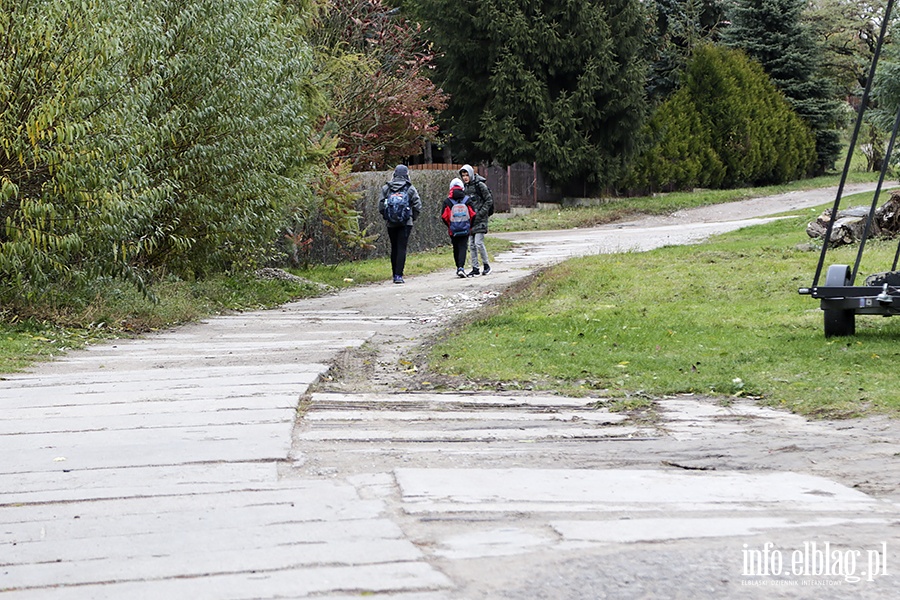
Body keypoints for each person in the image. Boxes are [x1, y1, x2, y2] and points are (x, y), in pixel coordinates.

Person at [379, 165, 422, 284]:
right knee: (402, 247)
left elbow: (381, 206)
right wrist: (412, 217)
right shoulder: (410, 188)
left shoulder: (386, 188)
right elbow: (418, 205)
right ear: (407, 174)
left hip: (391, 223)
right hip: (406, 222)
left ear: (394, 174)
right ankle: (399, 275)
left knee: (394, 247)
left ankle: (394, 274)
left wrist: (387, 217)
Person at [459, 164, 494, 276]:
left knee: (479, 243)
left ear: (471, 174)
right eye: (463, 175)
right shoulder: (465, 188)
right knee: (471, 245)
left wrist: (480, 214)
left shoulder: (480, 185)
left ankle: (486, 265)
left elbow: (488, 200)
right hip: (470, 220)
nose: (465, 177)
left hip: (480, 219)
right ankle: (475, 267)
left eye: (466, 175)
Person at [440, 177, 476, 278]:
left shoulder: (448, 201)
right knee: (463, 247)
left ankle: (458, 267)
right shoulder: (467, 200)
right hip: (465, 229)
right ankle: (461, 267)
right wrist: (469, 226)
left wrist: (450, 226)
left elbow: (444, 216)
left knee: (456, 248)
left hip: (453, 230)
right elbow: (473, 214)